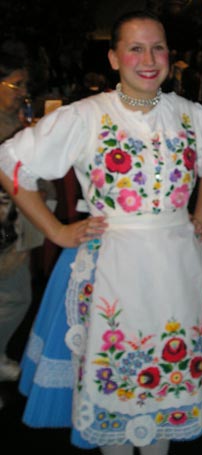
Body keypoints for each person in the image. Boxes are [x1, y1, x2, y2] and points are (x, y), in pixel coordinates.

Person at [0, 10, 202, 454]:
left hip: (178, 267)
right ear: (113, 58)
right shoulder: (86, 116)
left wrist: (201, 216)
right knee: (117, 384)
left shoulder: (191, 115)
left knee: (166, 382)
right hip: (113, 268)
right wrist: (56, 230)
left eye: (158, 47)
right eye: (135, 48)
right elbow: (10, 163)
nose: (149, 58)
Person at [0, 49, 56, 388]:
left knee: (17, 296)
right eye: (15, 84)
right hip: (6, 226)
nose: (23, 92)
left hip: (14, 227)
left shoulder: (15, 120)